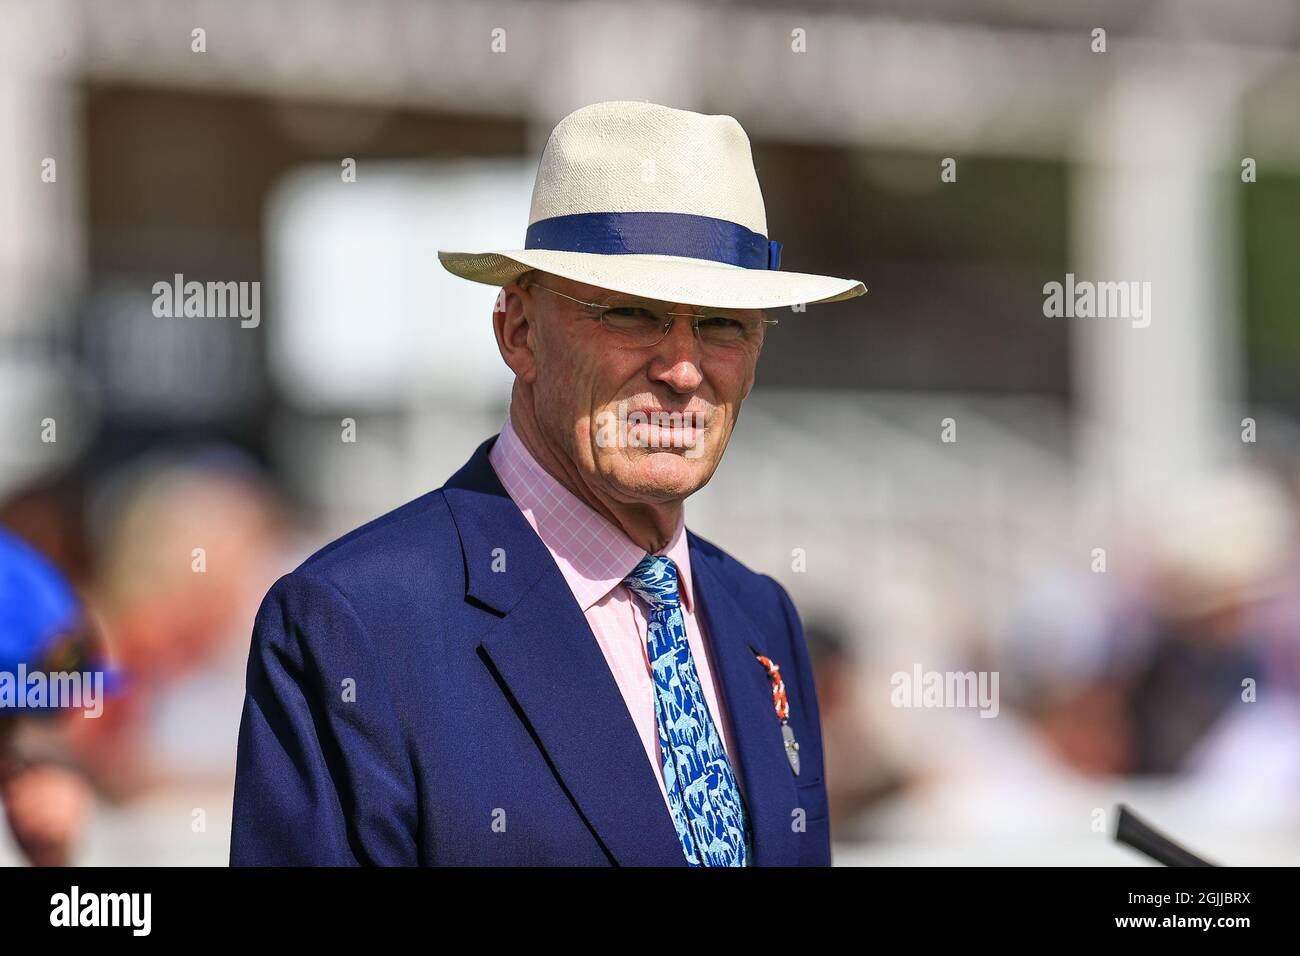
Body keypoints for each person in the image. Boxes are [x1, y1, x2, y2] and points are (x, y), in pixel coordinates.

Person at [231, 100, 866, 866]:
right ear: (519, 331)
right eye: (633, 314)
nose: (684, 368)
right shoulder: (358, 623)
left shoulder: (760, 617)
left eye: (725, 323)